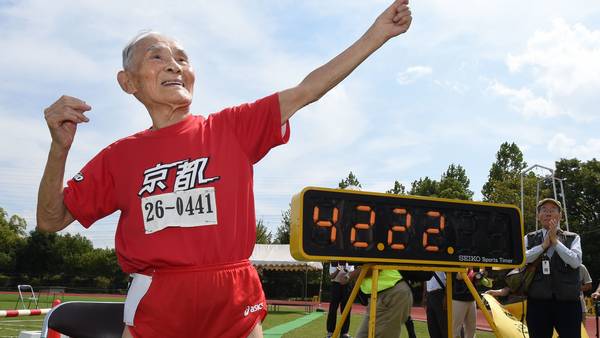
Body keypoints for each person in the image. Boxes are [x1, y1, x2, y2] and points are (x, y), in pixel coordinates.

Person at [36, 2, 412, 337]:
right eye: (157, 57)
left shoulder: (230, 128)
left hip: (235, 300)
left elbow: (307, 89)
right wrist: (59, 149)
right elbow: (51, 219)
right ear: (128, 82)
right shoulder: (119, 157)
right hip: (157, 303)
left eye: (182, 58)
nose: (174, 65)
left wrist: (377, 34)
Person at [524, 198, 582, 338]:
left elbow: (575, 261)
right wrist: (543, 246)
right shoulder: (529, 238)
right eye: (544, 210)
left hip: (568, 303)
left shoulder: (572, 238)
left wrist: (555, 242)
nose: (548, 213)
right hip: (538, 302)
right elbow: (523, 259)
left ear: (560, 215)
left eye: (552, 210)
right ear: (538, 216)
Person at [350, 267, 413, 338]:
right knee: (362, 335)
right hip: (378, 296)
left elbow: (373, 266)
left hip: (390, 294)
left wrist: (348, 275)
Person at [327, 261, 354, 338]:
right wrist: (338, 269)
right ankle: (330, 332)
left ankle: (344, 333)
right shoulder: (334, 261)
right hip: (336, 285)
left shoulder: (349, 260)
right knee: (332, 309)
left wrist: (345, 269)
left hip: (346, 285)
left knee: (346, 309)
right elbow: (332, 276)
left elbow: (351, 273)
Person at [451, 271, 476, 338]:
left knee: (471, 329)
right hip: (457, 299)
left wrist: (480, 273)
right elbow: (458, 276)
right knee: (455, 330)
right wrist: (472, 270)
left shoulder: (471, 266)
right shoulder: (453, 263)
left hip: (472, 298)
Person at [426, 271, 448, 338]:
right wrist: (424, 296)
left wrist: (446, 296)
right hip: (430, 294)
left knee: (444, 326)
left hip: (440, 293)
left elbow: (451, 277)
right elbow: (426, 279)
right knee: (432, 327)